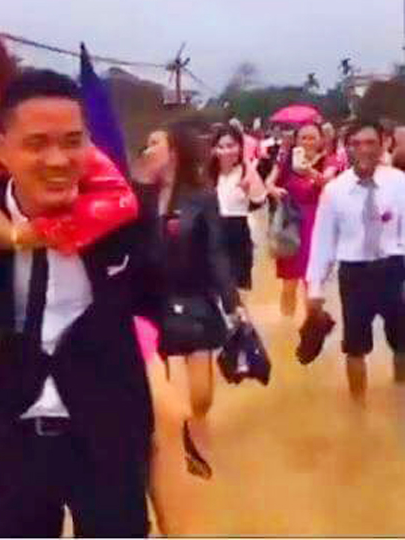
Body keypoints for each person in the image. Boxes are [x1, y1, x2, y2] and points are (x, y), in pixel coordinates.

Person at [0, 16, 140, 535]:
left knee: (167, 419)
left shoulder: (57, 140)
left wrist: (21, 235)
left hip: (96, 353)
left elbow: (122, 202)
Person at [139, 124, 244, 478]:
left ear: (174, 151)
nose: (147, 150)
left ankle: (197, 432)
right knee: (159, 395)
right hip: (151, 301)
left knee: (201, 394)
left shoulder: (201, 197)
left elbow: (216, 253)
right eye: (146, 144)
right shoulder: (138, 197)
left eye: (155, 143)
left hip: (195, 297)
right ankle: (171, 451)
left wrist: (232, 302)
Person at [306, 120, 405, 404]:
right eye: (356, 144)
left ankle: (399, 400)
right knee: (354, 346)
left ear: (383, 144)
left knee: (402, 343)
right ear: (347, 148)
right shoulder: (334, 191)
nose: (363, 150)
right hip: (354, 273)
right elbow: (322, 242)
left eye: (370, 143)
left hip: (394, 267)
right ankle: (358, 409)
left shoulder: (399, 183)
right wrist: (315, 289)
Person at [266, 123, 337, 317]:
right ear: (296, 140)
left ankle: (310, 327)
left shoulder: (329, 160)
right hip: (290, 223)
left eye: (312, 137)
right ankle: (286, 325)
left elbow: (330, 183)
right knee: (288, 282)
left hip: (316, 224)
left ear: (321, 140)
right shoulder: (285, 160)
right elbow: (268, 182)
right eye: (303, 137)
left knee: (312, 282)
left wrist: (309, 171)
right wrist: (274, 190)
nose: (307, 142)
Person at [209, 125, 267, 293]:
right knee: (214, 289)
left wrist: (249, 178)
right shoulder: (209, 174)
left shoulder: (245, 171)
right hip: (212, 233)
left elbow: (259, 199)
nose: (226, 151)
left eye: (231, 146)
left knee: (238, 290)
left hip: (238, 232)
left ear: (240, 146)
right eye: (221, 147)